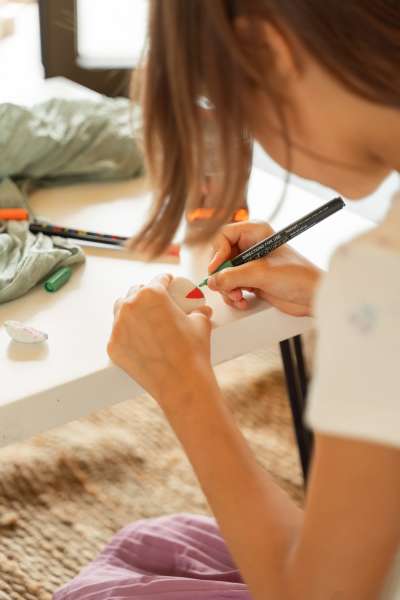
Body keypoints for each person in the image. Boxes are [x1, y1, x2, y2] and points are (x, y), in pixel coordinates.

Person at [55, 1, 400, 599]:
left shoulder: (378, 271)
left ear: (269, 53)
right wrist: (334, 297)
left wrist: (184, 386)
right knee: (156, 543)